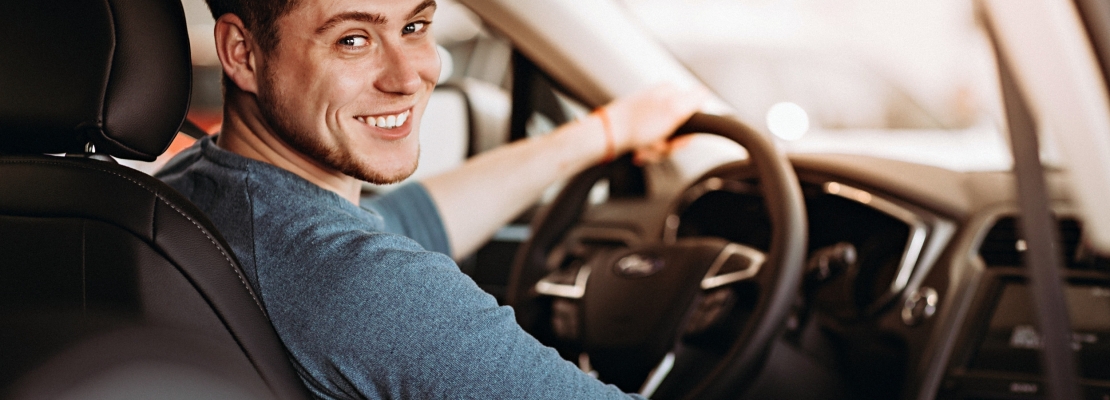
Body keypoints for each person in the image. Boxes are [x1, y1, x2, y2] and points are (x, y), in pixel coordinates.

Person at [156, 0, 707, 398]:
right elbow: (368, 272)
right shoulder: (363, 285)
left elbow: (407, 219)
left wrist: (605, 133)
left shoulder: (190, 188)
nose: (409, 76)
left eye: (415, 26)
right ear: (242, 53)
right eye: (353, 39)